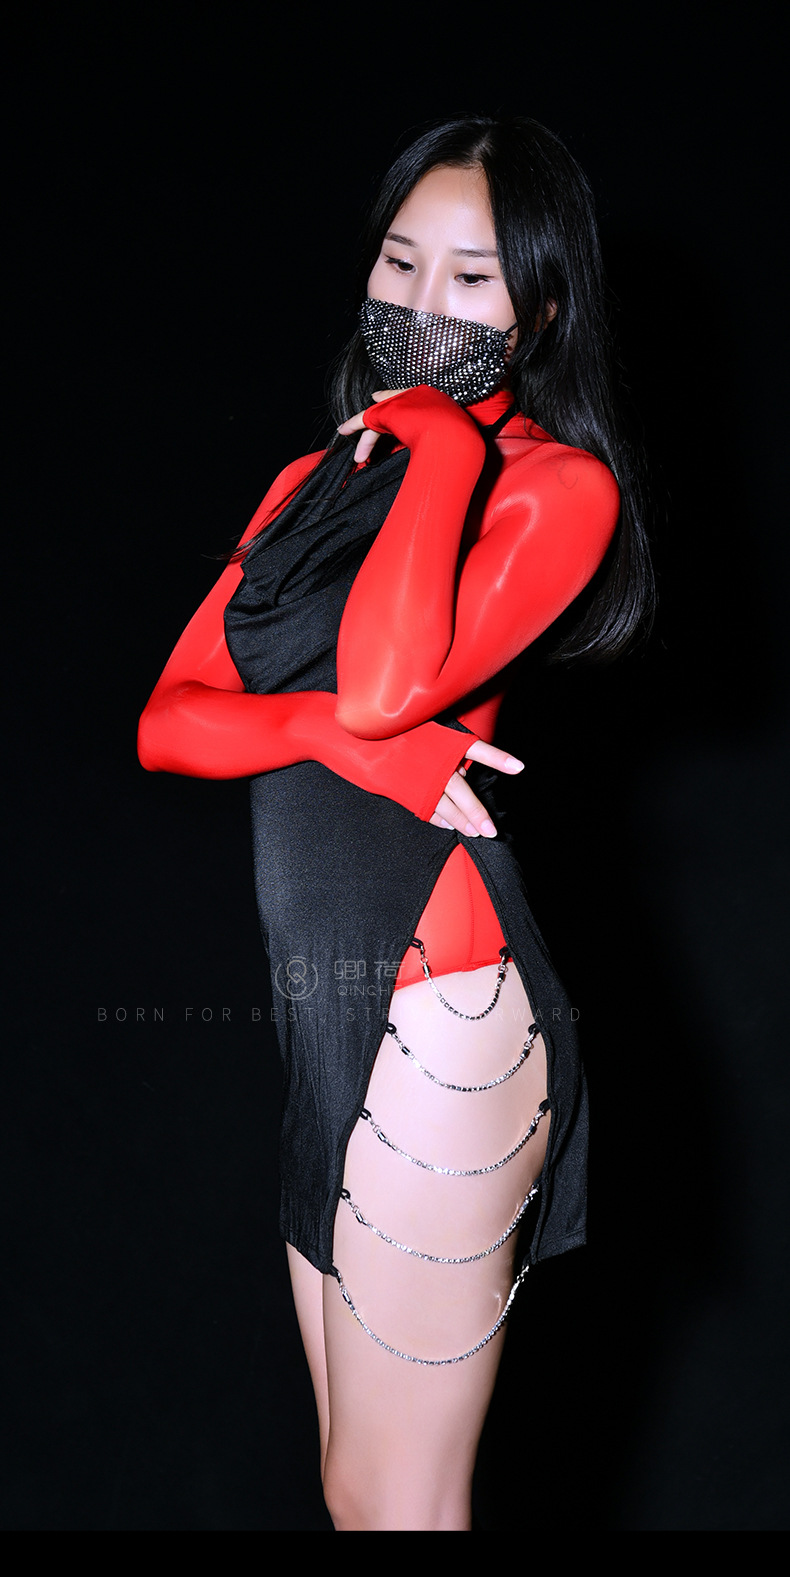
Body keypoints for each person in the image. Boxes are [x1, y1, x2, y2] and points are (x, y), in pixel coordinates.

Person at [137, 115, 653, 1532]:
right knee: (357, 1493)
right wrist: (308, 734)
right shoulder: (313, 483)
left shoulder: (554, 487)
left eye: (472, 279)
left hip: (441, 1013)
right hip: (329, 1015)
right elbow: (169, 720)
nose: (421, 303)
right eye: (398, 261)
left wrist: (431, 448)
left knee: (398, 1501)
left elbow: (382, 687)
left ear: (543, 307)